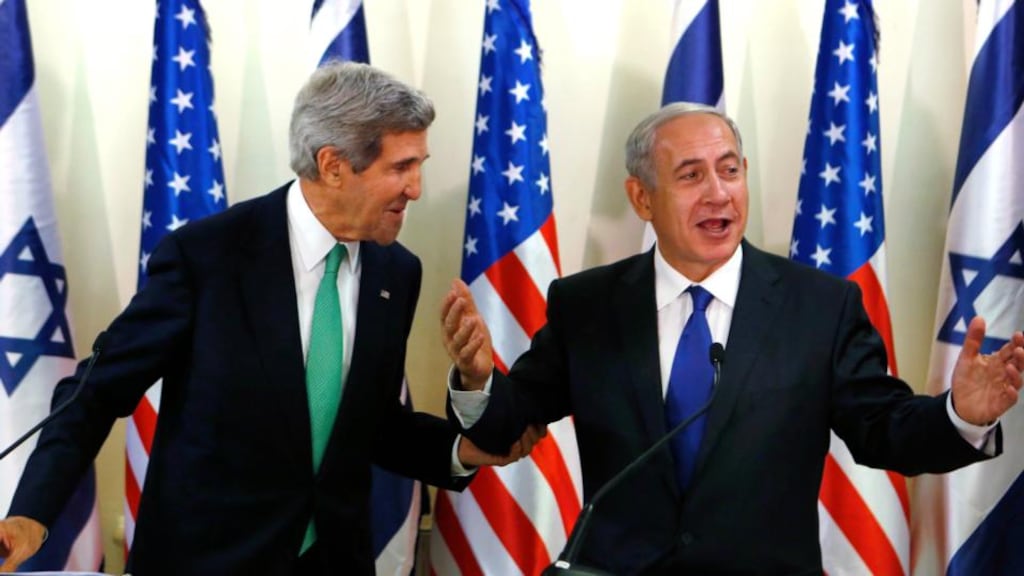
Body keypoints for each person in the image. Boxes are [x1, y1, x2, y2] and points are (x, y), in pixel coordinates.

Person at [441, 102, 1024, 574]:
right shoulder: (587, 305)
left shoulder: (819, 307)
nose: (718, 193)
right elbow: (509, 427)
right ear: (642, 197)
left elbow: (884, 430)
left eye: (730, 170)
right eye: (691, 176)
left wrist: (959, 415)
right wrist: (477, 378)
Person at [0, 61, 528, 574]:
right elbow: (94, 393)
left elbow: (370, 423)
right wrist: (32, 511)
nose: (416, 188)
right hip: (207, 561)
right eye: (400, 167)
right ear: (332, 165)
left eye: (419, 166)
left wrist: (459, 448)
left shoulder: (396, 272)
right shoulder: (206, 257)